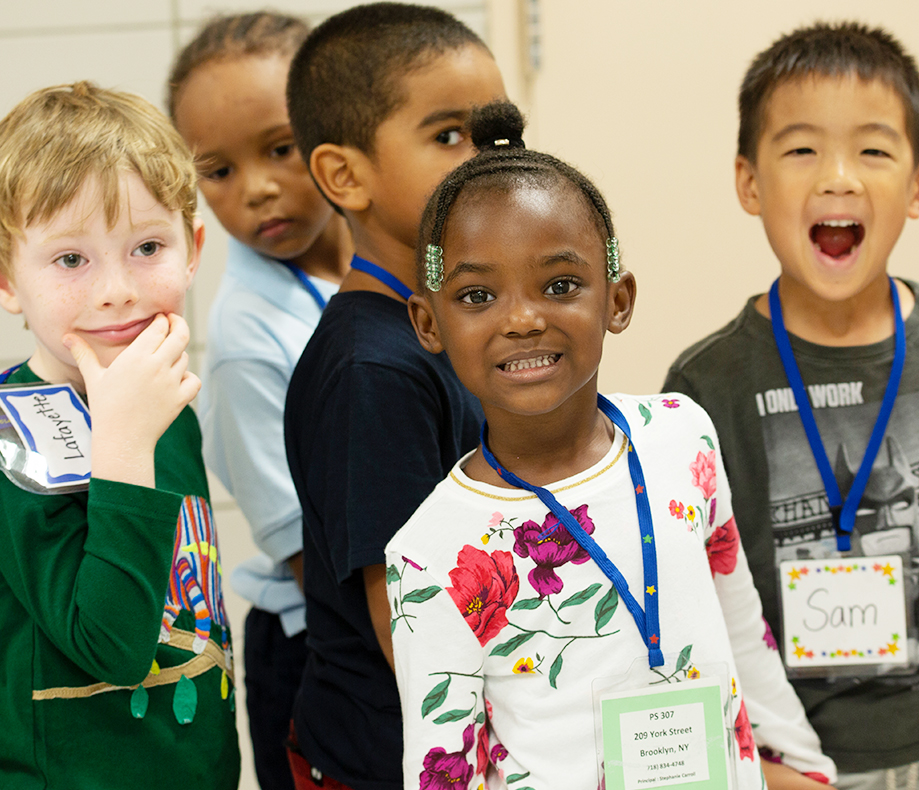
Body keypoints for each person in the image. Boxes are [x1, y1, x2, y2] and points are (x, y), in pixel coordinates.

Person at [385, 101, 837, 790]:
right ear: (428, 322)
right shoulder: (428, 551)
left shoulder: (681, 434)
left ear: (617, 300)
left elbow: (742, 626)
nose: (523, 318)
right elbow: (440, 770)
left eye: (560, 285)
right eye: (477, 296)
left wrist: (806, 768)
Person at [663, 21, 919, 790]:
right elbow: (691, 610)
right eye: (801, 149)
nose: (837, 177)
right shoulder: (704, 387)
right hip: (788, 767)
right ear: (748, 182)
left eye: (872, 149)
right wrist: (765, 768)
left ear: (914, 185)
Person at [282, 4, 505, 789]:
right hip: (395, 760)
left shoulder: (443, 328)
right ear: (345, 176)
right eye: (448, 136)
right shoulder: (370, 371)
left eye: (497, 135)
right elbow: (408, 628)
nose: (486, 162)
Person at [0, 82, 239, 789]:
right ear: (8, 278)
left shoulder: (167, 407)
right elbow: (108, 647)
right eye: (70, 260)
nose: (117, 290)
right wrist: (123, 447)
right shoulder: (10, 436)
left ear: (192, 250)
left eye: (146, 247)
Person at [168, 13, 351, 790]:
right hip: (324, 645)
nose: (257, 189)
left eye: (279, 149)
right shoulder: (247, 339)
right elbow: (306, 552)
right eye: (218, 171)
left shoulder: (393, 264)